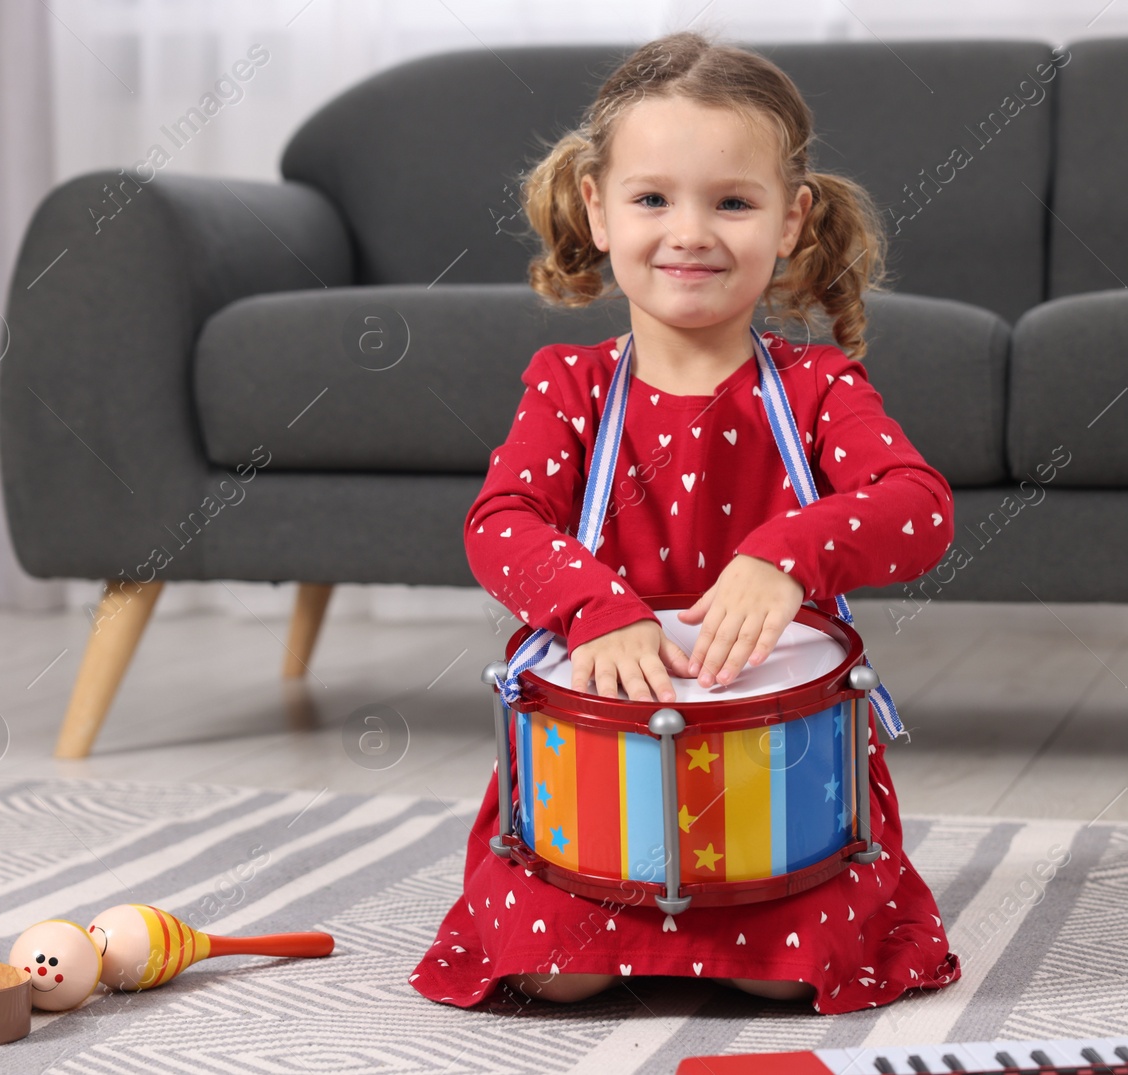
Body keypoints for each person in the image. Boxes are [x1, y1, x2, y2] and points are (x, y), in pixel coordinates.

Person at [410, 28, 962, 1014]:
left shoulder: (817, 389)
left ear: (791, 221)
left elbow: (919, 510)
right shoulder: (568, 387)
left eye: (733, 202)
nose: (689, 231)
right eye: (652, 197)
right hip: (602, 753)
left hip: (775, 771)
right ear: (597, 208)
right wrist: (592, 606)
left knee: (778, 965)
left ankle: (754, 919)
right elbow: (499, 522)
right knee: (556, 973)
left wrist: (786, 554)